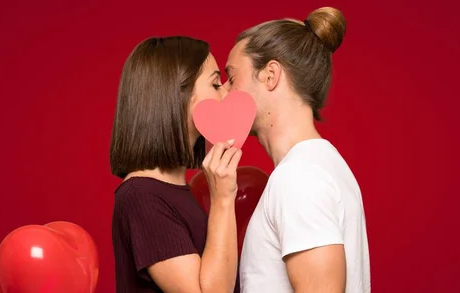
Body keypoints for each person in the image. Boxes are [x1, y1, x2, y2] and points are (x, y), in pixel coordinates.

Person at [223, 7, 371, 293]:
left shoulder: (299, 178)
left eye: (232, 77)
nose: (224, 93)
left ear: (270, 75)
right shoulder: (318, 166)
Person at [110, 36, 242, 293]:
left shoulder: (175, 192)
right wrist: (224, 199)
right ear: (178, 96)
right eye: (215, 83)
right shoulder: (141, 197)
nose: (226, 90)